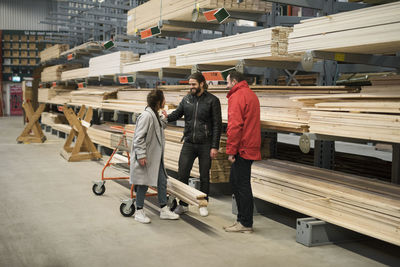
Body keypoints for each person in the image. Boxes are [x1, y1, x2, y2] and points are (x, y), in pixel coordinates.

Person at [164, 72, 222, 217]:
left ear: (202, 84)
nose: (191, 87)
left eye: (193, 84)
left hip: (205, 144)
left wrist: (214, 146)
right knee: (182, 174)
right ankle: (183, 205)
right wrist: (165, 117)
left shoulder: (212, 101)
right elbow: (177, 114)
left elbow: (217, 125)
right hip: (189, 142)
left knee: (204, 176)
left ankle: (203, 204)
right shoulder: (187, 99)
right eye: (190, 84)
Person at [130, 89, 179, 224]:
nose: (165, 101)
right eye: (163, 99)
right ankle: (138, 211)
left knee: (162, 182)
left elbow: (158, 127)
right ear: (158, 101)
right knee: (143, 184)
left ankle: (164, 210)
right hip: (147, 157)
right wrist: (141, 155)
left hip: (155, 158)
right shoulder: (146, 116)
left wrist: (165, 118)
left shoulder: (154, 115)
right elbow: (138, 138)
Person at [223, 71, 261, 233]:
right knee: (237, 182)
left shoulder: (238, 96)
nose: (226, 85)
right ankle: (242, 221)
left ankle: (245, 223)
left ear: (234, 81)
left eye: (227, 82)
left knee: (241, 184)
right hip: (249, 145)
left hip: (242, 147)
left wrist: (231, 151)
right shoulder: (251, 94)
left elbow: (235, 126)